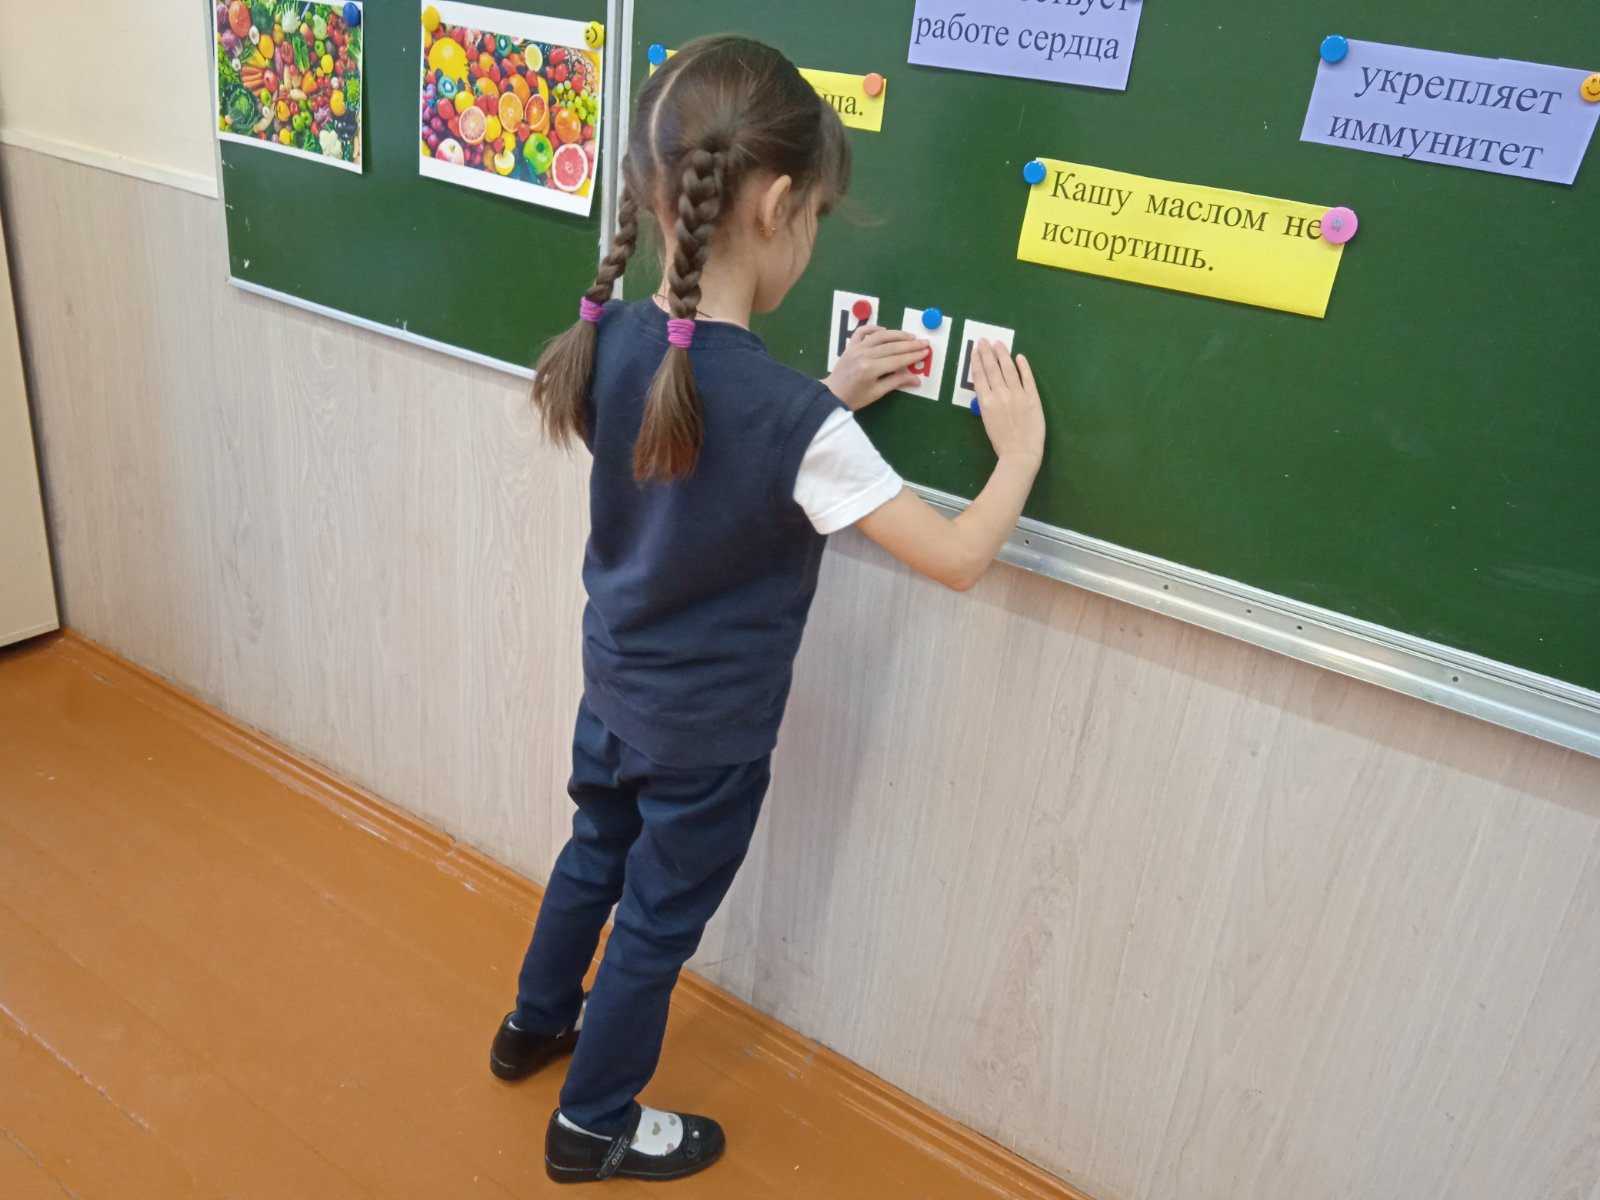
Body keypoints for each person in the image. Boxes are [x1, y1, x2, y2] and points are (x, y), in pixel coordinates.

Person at [488, 34, 1046, 1184]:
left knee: (594, 852)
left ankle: (533, 1025)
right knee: (655, 924)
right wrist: (1019, 458)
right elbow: (954, 559)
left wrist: (824, 398)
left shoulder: (610, 339)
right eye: (818, 217)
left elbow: (697, 449)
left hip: (615, 691)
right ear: (779, 205)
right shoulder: (797, 426)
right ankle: (592, 1125)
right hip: (708, 737)